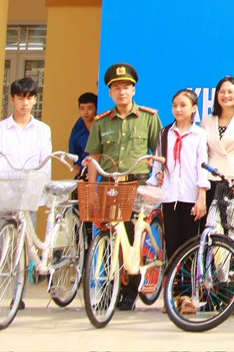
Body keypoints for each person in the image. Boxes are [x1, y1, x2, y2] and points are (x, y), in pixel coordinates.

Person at [0, 76, 52, 311]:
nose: (25, 103)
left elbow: (44, 164)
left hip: (29, 196)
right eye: (20, 98)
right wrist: (8, 192)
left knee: (23, 248)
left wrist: (38, 194)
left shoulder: (43, 130)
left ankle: (18, 296)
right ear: (12, 99)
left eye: (29, 98)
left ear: (35, 100)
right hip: (2, 195)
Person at [84, 62, 162, 311]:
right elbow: (94, 158)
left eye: (126, 87)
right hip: (110, 184)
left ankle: (131, 290)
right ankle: (108, 289)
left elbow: (159, 153)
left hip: (137, 184)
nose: (122, 92)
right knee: (109, 237)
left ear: (133, 90)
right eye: (116, 88)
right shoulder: (101, 122)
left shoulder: (149, 118)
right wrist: (91, 187)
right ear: (110, 92)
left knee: (132, 237)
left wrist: (159, 179)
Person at [149, 89, 210, 266]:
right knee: (172, 245)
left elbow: (202, 166)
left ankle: (189, 283)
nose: (178, 109)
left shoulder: (199, 134)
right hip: (169, 197)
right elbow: (158, 163)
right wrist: (157, 178)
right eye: (175, 105)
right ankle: (174, 283)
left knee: (190, 245)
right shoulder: (165, 133)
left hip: (190, 196)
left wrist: (201, 197)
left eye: (183, 105)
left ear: (194, 108)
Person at [68, 91, 97, 174]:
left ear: (96, 109)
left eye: (89, 108)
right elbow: (74, 152)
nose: (85, 112)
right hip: (84, 171)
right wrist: (77, 167)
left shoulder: (103, 125)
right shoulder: (78, 129)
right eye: (82, 109)